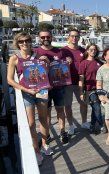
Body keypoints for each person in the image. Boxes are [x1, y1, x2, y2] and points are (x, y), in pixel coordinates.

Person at [7, 32, 51, 165]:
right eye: (21, 41)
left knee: (44, 118)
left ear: (31, 41)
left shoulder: (38, 56)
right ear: (17, 43)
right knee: (31, 123)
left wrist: (47, 64)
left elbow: (45, 74)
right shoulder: (14, 58)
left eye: (27, 40)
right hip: (26, 93)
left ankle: (44, 144)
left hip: (41, 90)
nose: (24, 43)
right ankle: (36, 150)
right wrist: (26, 90)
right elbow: (9, 80)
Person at [34, 29, 69, 145]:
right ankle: (47, 135)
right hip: (43, 89)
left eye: (47, 37)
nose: (45, 39)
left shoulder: (59, 52)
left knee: (60, 110)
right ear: (39, 38)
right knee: (46, 113)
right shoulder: (35, 52)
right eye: (43, 37)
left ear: (51, 37)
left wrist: (68, 62)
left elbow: (64, 67)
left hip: (58, 87)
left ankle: (63, 131)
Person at [61, 29, 89, 135]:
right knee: (67, 105)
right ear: (68, 37)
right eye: (72, 36)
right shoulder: (63, 51)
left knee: (84, 103)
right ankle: (71, 125)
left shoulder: (83, 51)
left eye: (76, 36)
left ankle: (84, 122)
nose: (74, 38)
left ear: (79, 37)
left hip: (80, 82)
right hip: (67, 83)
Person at [79, 43, 104, 134]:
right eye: (91, 50)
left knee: (95, 108)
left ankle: (93, 125)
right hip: (90, 89)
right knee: (97, 107)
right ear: (87, 51)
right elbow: (81, 79)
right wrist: (81, 92)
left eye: (95, 50)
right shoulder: (84, 63)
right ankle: (101, 125)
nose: (93, 51)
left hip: (100, 89)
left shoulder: (99, 62)